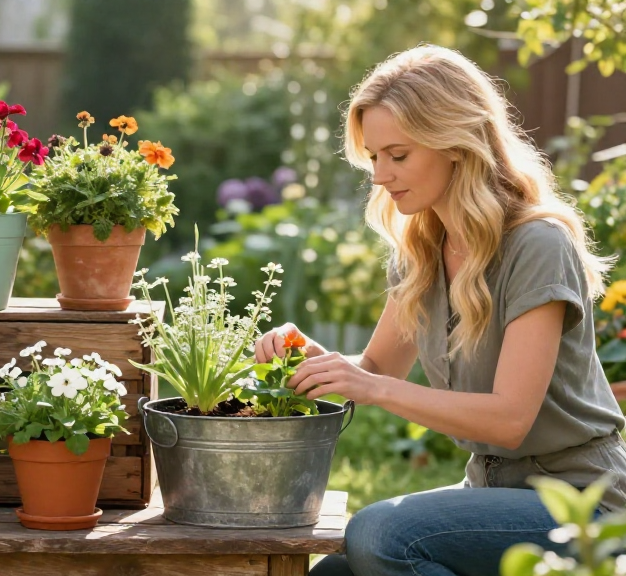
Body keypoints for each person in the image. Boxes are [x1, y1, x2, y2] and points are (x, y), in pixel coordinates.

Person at [254, 45, 626, 576]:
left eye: (398, 155)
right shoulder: (425, 250)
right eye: (374, 156)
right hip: (493, 490)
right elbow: (378, 370)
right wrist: (317, 359)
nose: (380, 175)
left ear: (455, 143)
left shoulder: (536, 244)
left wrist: (373, 388)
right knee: (334, 571)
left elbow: (510, 419)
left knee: (381, 533)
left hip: (583, 501)